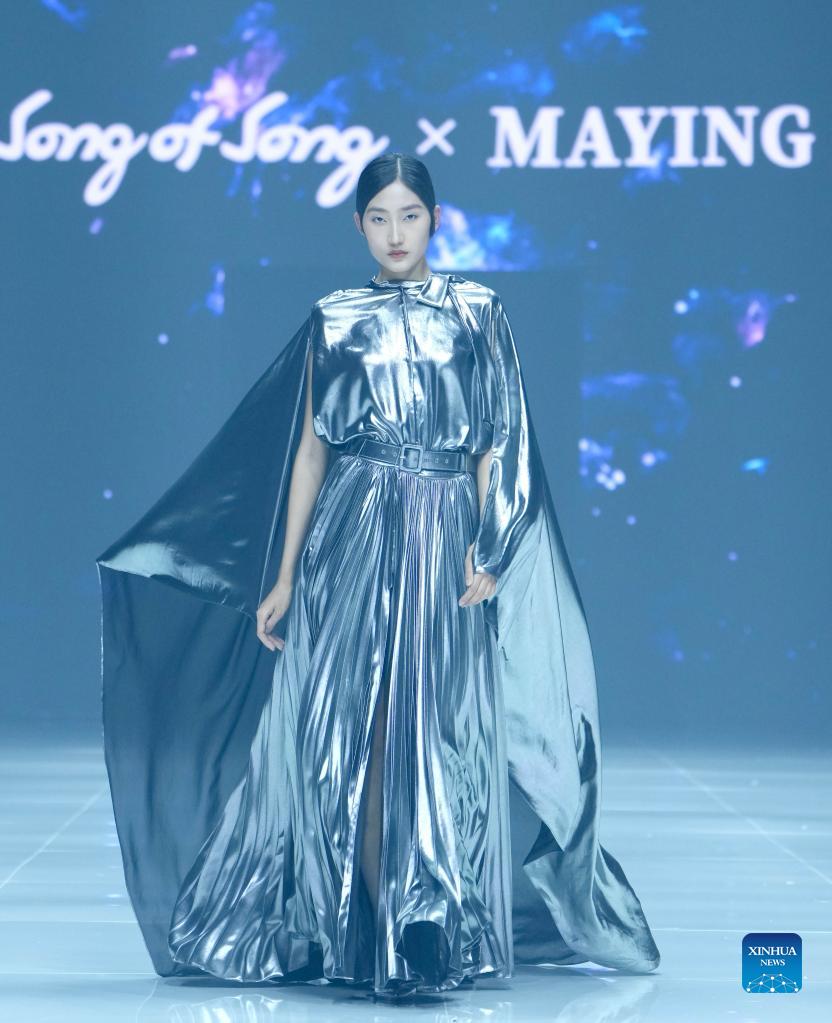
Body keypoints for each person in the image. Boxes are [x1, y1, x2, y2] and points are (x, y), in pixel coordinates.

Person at [96, 152, 660, 999]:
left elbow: (497, 437)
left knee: (432, 733)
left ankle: (422, 919)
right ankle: (383, 928)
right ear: (359, 225)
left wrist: (491, 543)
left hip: (443, 534)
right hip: (351, 534)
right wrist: (285, 574)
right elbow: (311, 452)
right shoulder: (334, 316)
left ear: (435, 219)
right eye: (379, 217)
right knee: (354, 731)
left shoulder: (478, 312)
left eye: (410, 215)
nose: (396, 232)